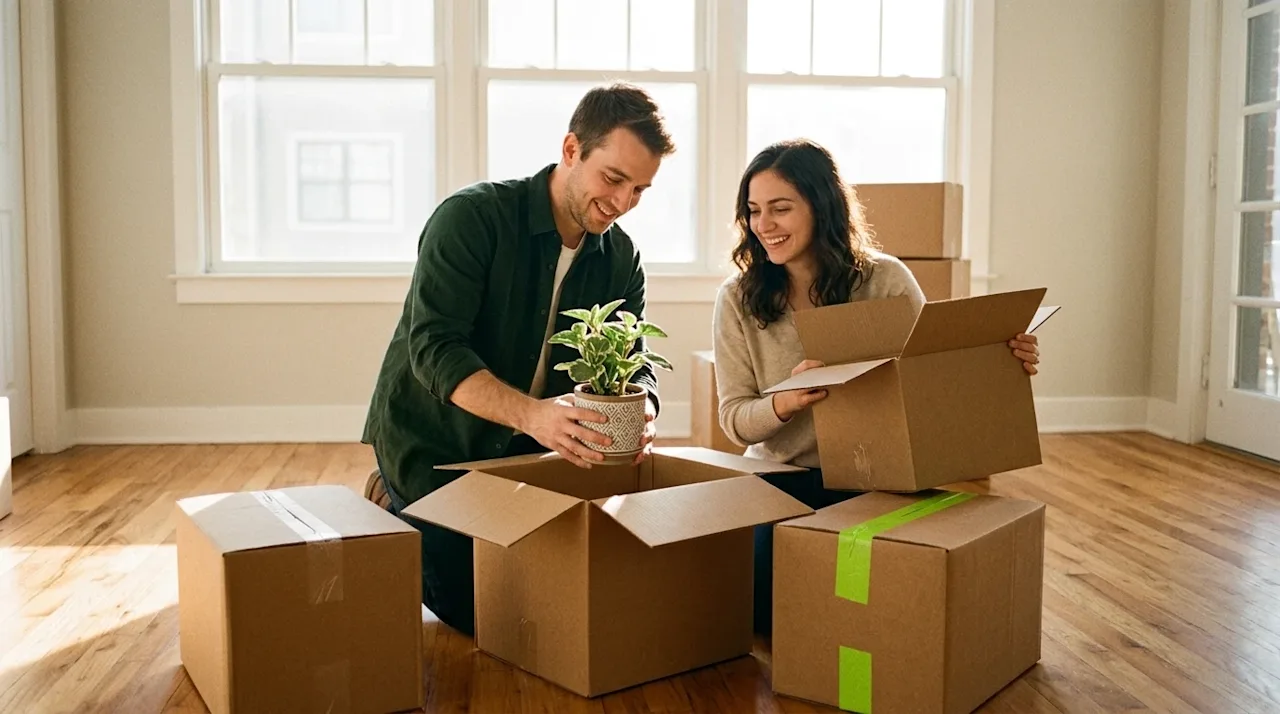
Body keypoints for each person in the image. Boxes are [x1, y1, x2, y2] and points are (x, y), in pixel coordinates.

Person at [361, 82, 677, 636]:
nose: (624, 202)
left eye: (640, 190)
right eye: (613, 178)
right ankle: (393, 499)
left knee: (564, 600)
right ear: (572, 149)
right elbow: (434, 348)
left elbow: (636, 359)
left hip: (531, 452)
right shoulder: (472, 218)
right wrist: (535, 415)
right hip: (435, 443)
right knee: (483, 613)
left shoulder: (621, 257)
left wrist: (644, 407)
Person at [711, 138, 1042, 634]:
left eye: (781, 209)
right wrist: (783, 402)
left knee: (914, 603)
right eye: (754, 211)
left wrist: (1002, 359)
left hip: (883, 476)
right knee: (767, 610)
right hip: (784, 476)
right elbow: (735, 420)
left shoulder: (885, 280)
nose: (764, 226)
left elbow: (936, 382)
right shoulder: (738, 298)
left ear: (822, 207)